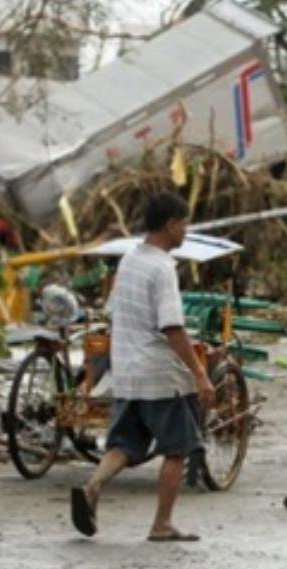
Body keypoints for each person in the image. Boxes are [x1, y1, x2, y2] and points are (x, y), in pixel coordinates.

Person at [70, 191, 215, 542]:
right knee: (177, 449)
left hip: (128, 372)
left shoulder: (130, 259)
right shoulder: (163, 268)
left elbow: (116, 311)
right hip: (161, 376)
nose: (186, 232)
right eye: (184, 224)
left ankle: (92, 487)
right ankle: (161, 524)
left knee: (124, 444)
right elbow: (172, 327)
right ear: (171, 225)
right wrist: (199, 374)